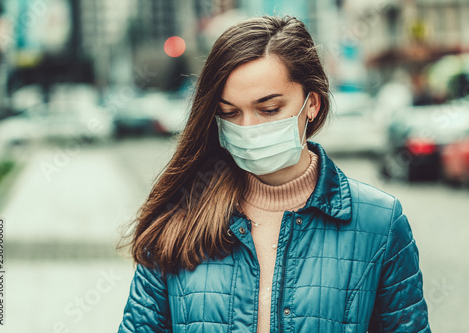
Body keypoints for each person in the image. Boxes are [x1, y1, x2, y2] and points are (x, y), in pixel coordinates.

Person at [117, 15, 430, 333]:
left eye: (268, 109)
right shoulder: (178, 222)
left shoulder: (380, 223)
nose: (247, 129)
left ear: (313, 104)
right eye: (230, 113)